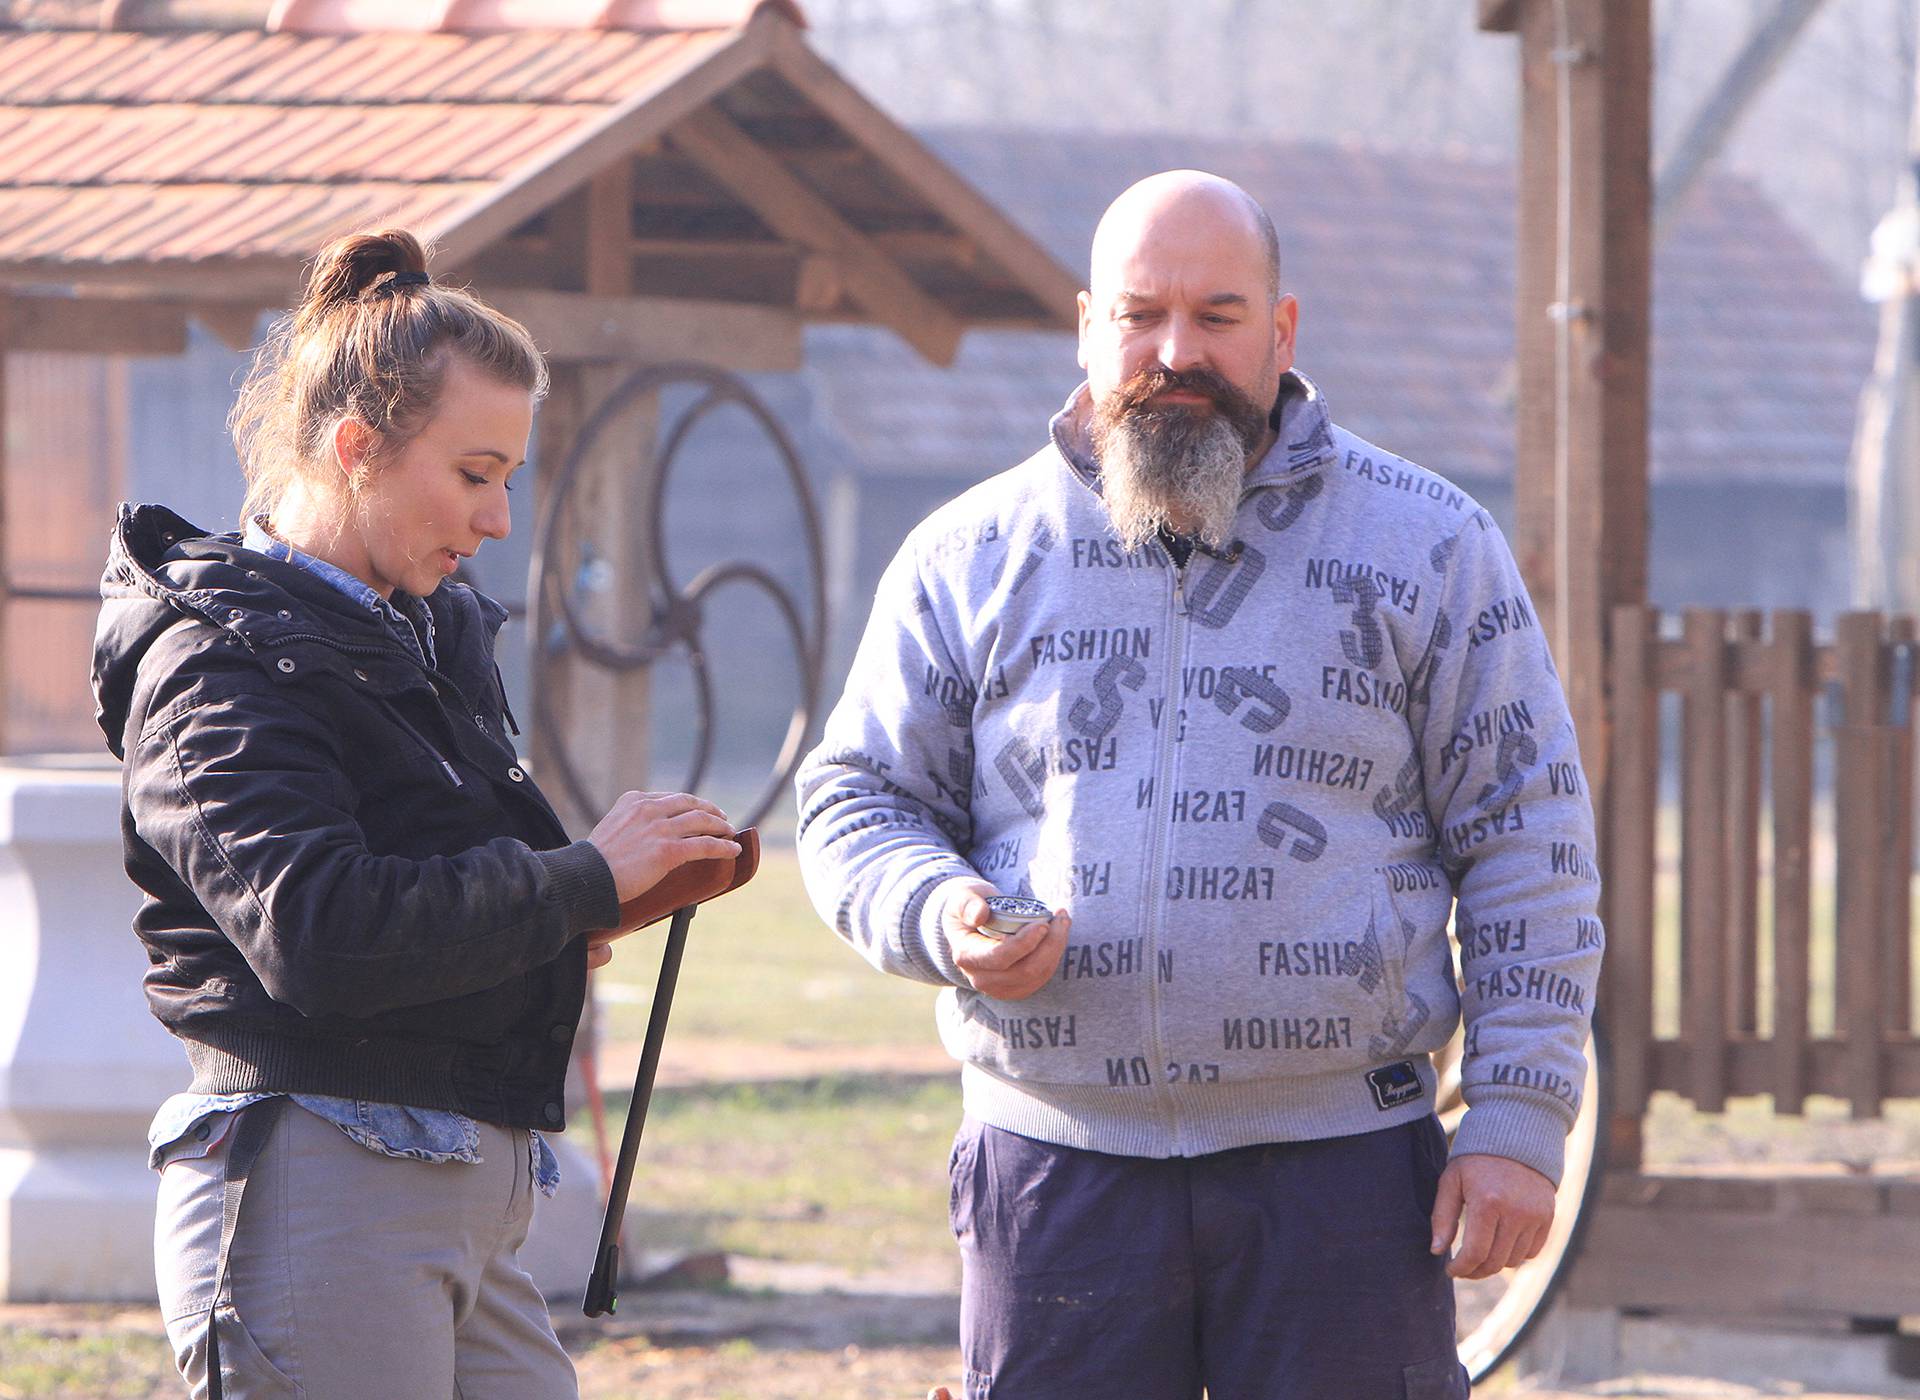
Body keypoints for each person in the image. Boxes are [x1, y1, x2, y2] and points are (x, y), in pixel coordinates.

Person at [796, 171, 1604, 1399]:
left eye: (1219, 315)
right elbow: (857, 796)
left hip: (1345, 1178)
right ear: (1087, 325)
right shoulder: (967, 553)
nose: (1177, 351)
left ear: (1282, 331)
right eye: (1142, 313)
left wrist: (1517, 1123)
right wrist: (937, 909)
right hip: (1054, 1170)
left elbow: (1529, 834)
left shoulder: (1431, 544)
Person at [91, 228, 740, 1400]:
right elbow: (320, 931)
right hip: (313, 1189)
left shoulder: (430, 627)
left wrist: (581, 907)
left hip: (464, 1186)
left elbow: (431, 893)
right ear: (354, 448)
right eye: (475, 472)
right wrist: (578, 880)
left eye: (509, 480)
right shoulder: (211, 661)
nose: (497, 520)